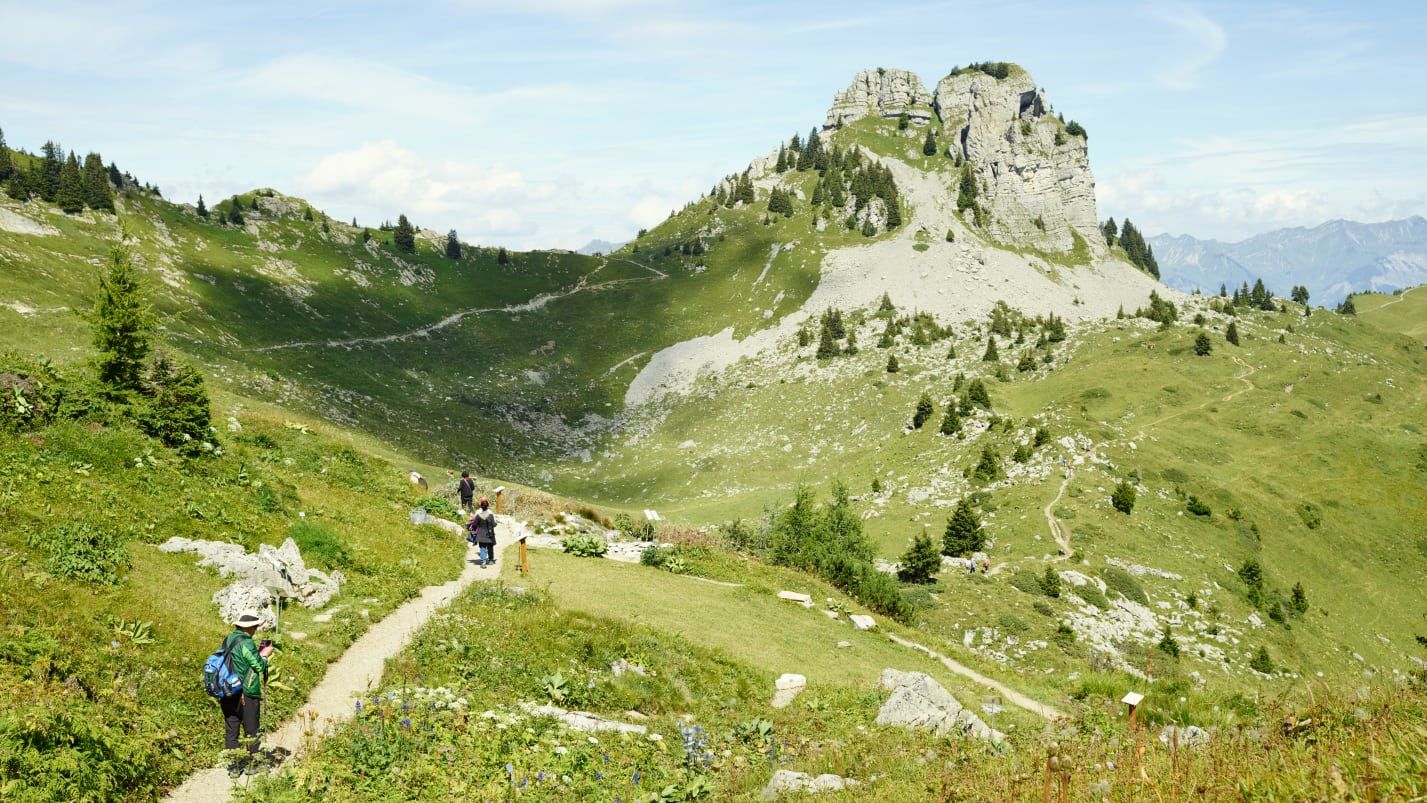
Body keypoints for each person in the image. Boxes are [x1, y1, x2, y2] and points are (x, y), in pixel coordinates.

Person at [221, 612, 273, 773]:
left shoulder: (228, 640)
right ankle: (253, 765)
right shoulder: (247, 643)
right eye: (255, 626)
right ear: (249, 628)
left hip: (227, 691)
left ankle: (234, 767)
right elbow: (258, 666)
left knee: (232, 729)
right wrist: (265, 656)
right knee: (251, 729)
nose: (256, 629)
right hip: (246, 692)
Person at [468, 497, 497, 566]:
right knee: (490, 547)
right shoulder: (490, 515)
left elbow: (474, 524)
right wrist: (495, 524)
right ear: (488, 506)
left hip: (481, 534)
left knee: (482, 548)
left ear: (481, 506)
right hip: (490, 534)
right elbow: (494, 524)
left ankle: (483, 562)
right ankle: (491, 560)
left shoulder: (478, 515)